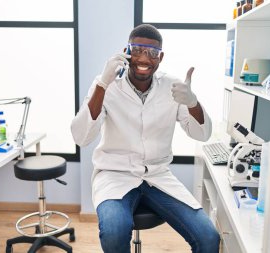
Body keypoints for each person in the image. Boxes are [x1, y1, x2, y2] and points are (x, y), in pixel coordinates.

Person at [71, 24, 220, 253]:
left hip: (157, 176)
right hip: (114, 174)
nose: (144, 58)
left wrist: (193, 102)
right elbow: (81, 136)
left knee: (208, 237)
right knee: (114, 231)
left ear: (160, 57)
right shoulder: (107, 85)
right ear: (127, 51)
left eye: (152, 53)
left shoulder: (172, 86)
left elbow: (201, 133)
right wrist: (102, 84)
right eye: (138, 49)